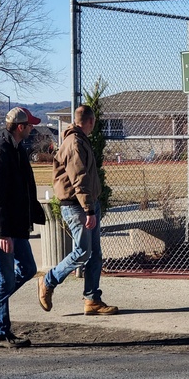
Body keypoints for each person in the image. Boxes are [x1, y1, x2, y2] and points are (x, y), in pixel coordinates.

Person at [0, 106, 46, 348]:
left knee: (27, 269)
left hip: (16, 227)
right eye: (30, 125)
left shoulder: (17, 150)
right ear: (20, 127)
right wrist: (2, 232)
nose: (33, 128)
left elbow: (23, 189)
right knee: (4, 280)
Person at [37, 104, 119, 316]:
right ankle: (48, 280)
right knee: (82, 251)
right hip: (77, 206)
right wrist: (89, 210)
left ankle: (92, 300)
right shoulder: (74, 143)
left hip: (88, 203)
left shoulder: (80, 139)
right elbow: (79, 179)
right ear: (90, 121)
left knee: (94, 254)